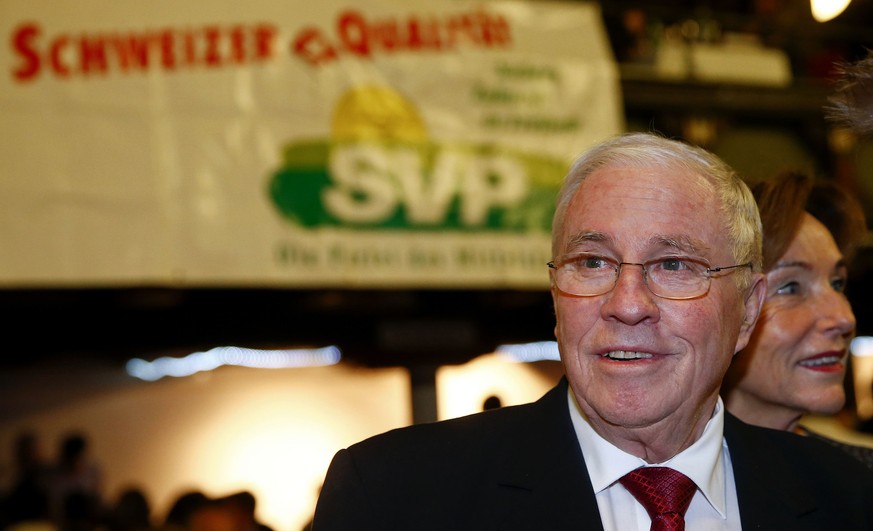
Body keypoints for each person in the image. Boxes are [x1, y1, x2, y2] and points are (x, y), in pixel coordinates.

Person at [310, 132, 873, 530]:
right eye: (593, 262)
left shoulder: (849, 500)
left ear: (748, 310)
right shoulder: (394, 496)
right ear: (556, 293)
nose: (627, 306)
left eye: (674, 265)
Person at [723, 169, 873, 467]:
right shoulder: (658, 483)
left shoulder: (859, 480)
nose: (844, 318)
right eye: (790, 287)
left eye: (837, 284)